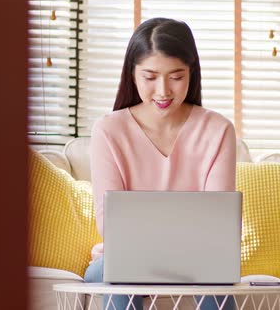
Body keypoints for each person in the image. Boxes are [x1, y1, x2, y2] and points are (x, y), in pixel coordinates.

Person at [83, 17, 237, 310]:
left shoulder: (218, 130)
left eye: (176, 77)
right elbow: (109, 224)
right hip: (120, 260)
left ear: (192, 73)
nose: (163, 91)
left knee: (215, 274)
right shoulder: (108, 130)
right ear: (132, 74)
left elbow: (218, 224)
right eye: (150, 77)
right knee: (119, 273)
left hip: (199, 260)